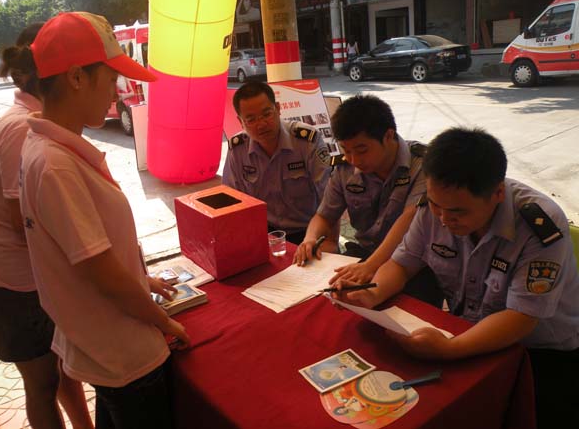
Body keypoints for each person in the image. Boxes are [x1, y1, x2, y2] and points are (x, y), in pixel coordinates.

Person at [335, 127, 579, 428]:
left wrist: (450, 350)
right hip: (465, 331)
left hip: (541, 353)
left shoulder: (539, 224)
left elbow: (522, 317)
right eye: (436, 206)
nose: (443, 219)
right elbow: (402, 264)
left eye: (457, 212)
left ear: (497, 193)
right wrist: (371, 294)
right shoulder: (434, 206)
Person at [17, 12, 190, 429]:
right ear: (76, 77)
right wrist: (165, 322)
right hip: (125, 352)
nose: (116, 91)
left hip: (103, 344)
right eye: (110, 78)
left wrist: (142, 278)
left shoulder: (47, 147)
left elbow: (87, 249)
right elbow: (102, 273)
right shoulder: (55, 164)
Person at [0, 23, 94, 429]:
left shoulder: (34, 120)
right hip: (11, 285)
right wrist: (89, 262)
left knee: (62, 367)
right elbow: (21, 223)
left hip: (27, 279)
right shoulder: (20, 128)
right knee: (42, 382)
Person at [294, 95, 442, 307]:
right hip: (363, 255)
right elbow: (324, 215)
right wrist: (310, 239)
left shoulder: (423, 165)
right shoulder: (345, 169)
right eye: (347, 151)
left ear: (388, 135)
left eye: (362, 150)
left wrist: (371, 266)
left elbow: (410, 219)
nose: (354, 160)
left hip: (412, 265)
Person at [222, 81, 332, 245]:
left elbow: (329, 199)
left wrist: (324, 241)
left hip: (308, 232)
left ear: (278, 109)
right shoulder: (237, 149)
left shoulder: (307, 141)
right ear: (240, 122)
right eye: (251, 119)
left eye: (267, 114)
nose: (261, 124)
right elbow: (231, 201)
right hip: (263, 233)